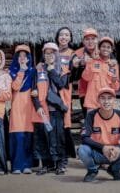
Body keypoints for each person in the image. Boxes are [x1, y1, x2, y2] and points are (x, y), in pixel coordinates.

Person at [78, 87, 120, 182]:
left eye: (109, 98)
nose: (106, 101)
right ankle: (92, 171)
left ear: (114, 100)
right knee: (82, 150)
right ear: (98, 100)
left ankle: (114, 170)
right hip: (97, 151)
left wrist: (119, 148)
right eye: (102, 98)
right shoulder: (91, 115)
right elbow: (84, 138)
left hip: (115, 153)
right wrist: (103, 148)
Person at [32, 42, 73, 175]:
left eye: (52, 53)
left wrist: (51, 70)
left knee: (59, 137)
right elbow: (33, 90)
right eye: (46, 53)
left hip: (57, 109)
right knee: (44, 137)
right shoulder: (38, 70)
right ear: (43, 54)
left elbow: (61, 85)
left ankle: (61, 164)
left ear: (56, 54)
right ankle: (47, 164)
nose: (49, 55)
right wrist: (37, 106)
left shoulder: (63, 70)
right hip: (43, 110)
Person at [9, 44, 36, 174]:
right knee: (17, 136)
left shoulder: (33, 71)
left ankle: (27, 165)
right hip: (16, 107)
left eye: (25, 56)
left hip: (29, 107)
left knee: (28, 136)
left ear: (29, 57)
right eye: (19, 56)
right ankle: (16, 165)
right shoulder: (12, 71)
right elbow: (14, 87)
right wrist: (21, 71)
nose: (22, 58)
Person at [55, 27, 76, 171]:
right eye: (61, 34)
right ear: (57, 37)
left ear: (70, 38)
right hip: (50, 92)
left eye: (66, 35)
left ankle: (63, 160)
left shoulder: (73, 55)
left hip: (64, 92)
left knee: (63, 126)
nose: (63, 37)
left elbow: (74, 74)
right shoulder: (50, 52)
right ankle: (52, 160)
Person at [82, 36, 120, 111]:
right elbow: (85, 77)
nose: (105, 49)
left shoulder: (114, 65)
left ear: (111, 50)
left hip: (106, 103)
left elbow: (116, 87)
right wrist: (91, 63)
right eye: (103, 46)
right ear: (99, 49)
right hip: (92, 102)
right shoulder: (92, 61)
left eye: (108, 47)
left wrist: (114, 81)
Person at [72, 28, 99, 117]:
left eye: (93, 39)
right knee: (88, 118)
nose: (90, 42)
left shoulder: (104, 51)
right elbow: (74, 76)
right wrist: (81, 65)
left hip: (100, 90)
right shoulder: (77, 54)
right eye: (87, 39)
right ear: (83, 41)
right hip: (85, 91)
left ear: (97, 40)